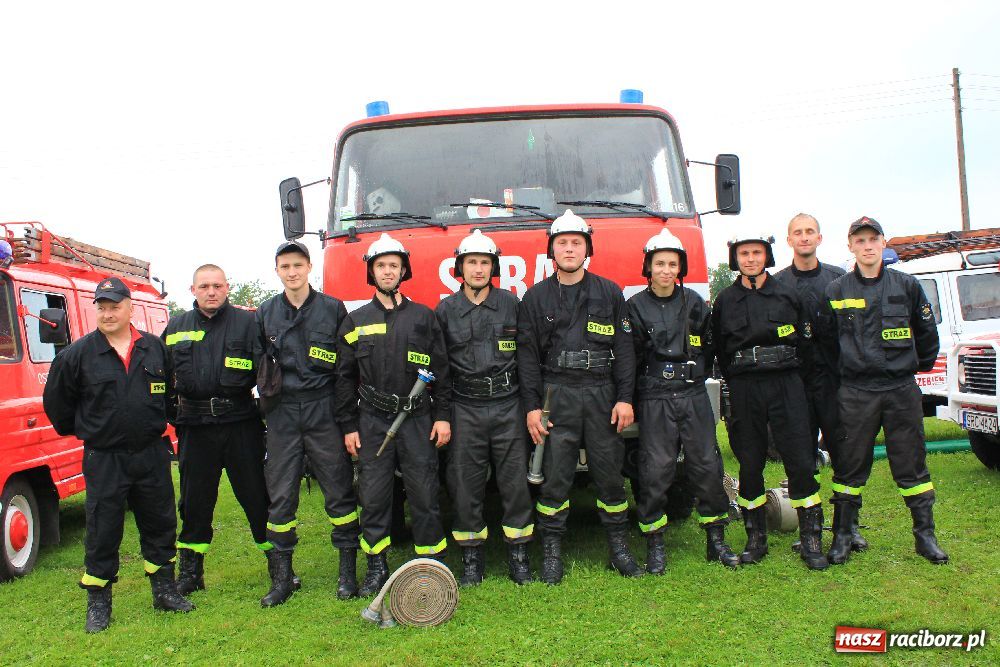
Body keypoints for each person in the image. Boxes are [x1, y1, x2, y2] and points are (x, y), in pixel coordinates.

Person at [43, 277, 193, 633]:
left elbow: (171, 394)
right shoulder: (77, 355)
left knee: (160, 522)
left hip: (151, 454)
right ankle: (98, 602)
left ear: (129, 308)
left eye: (115, 306)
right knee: (102, 529)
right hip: (105, 458)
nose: (108, 313)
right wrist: (88, 431)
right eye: (102, 307)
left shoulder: (155, 349)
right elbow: (57, 405)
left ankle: (164, 591)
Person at [517, 209, 640, 584]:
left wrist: (625, 398)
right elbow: (527, 358)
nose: (569, 249)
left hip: (602, 394)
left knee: (609, 476)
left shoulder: (610, 292)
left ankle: (619, 548)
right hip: (557, 395)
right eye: (562, 243)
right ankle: (552, 554)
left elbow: (626, 351)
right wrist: (533, 408)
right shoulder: (535, 298)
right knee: (555, 478)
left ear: (588, 248)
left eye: (576, 242)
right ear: (551, 250)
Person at [822, 216, 947, 565]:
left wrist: (912, 368)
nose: (867, 246)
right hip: (856, 392)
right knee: (849, 466)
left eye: (872, 239)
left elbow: (927, 335)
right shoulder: (837, 290)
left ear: (883, 242)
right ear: (850, 246)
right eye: (859, 241)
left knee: (912, 465)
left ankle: (925, 537)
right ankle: (843, 535)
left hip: (899, 389)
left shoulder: (907, 286)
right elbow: (828, 344)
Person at [337, 233, 452, 596]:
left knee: (425, 493)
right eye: (381, 266)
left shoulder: (424, 317)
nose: (388, 271)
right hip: (372, 419)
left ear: (404, 271)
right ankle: (376, 566)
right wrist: (348, 426)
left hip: (417, 419)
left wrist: (443, 416)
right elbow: (343, 377)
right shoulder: (355, 320)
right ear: (372, 272)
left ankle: (430, 565)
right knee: (373, 496)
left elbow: (443, 372)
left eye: (394, 265)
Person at [711, 233, 828, 570]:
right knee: (749, 462)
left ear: (767, 256)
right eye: (744, 253)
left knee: (800, 460)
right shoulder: (725, 301)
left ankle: (811, 540)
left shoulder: (788, 293)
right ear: (736, 259)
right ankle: (755, 539)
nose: (751, 259)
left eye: (757, 253)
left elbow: (806, 342)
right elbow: (719, 347)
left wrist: (794, 382)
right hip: (746, 386)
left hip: (786, 383)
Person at [627, 230, 740, 573]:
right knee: (656, 471)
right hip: (655, 397)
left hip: (691, 394)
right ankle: (655, 545)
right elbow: (629, 359)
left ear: (681, 267)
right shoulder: (635, 307)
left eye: (672, 264)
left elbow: (709, 346)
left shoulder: (694, 302)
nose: (665, 270)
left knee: (706, 466)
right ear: (648, 266)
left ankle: (716, 541)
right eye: (659, 263)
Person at [255, 240, 360, 606]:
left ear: (309, 266)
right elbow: (258, 366)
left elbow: (346, 368)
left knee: (339, 491)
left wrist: (345, 417)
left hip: (323, 410)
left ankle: (347, 575)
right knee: (281, 496)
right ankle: (282, 579)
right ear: (277, 271)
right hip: (283, 414)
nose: (292, 272)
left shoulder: (332, 309)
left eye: (298, 265)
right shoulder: (265, 313)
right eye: (285, 267)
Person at [161, 264, 270, 597]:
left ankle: (280, 567)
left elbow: (267, 375)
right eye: (204, 286)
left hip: (241, 426)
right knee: (194, 503)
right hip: (195, 429)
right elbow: (161, 379)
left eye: (217, 286)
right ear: (192, 290)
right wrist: (174, 415)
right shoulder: (175, 328)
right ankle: (191, 574)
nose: (211, 291)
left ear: (228, 288)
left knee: (257, 498)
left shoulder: (249, 325)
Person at [435, 230, 534, 586]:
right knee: (465, 484)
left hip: (508, 405)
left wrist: (529, 408)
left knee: (514, 484)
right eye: (472, 262)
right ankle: (472, 559)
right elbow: (441, 370)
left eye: (484, 262)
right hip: (465, 407)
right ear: (460, 267)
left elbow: (526, 359)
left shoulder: (511, 305)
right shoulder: (445, 311)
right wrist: (443, 416)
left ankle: (519, 556)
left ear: (493, 267)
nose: (478, 269)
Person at [773, 213, 868, 552]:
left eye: (809, 231)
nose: (804, 237)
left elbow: (855, 332)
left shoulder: (838, 279)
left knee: (845, 455)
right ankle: (809, 529)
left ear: (819, 237)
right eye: (797, 232)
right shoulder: (778, 284)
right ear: (789, 240)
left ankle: (848, 528)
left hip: (834, 382)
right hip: (795, 383)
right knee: (800, 458)